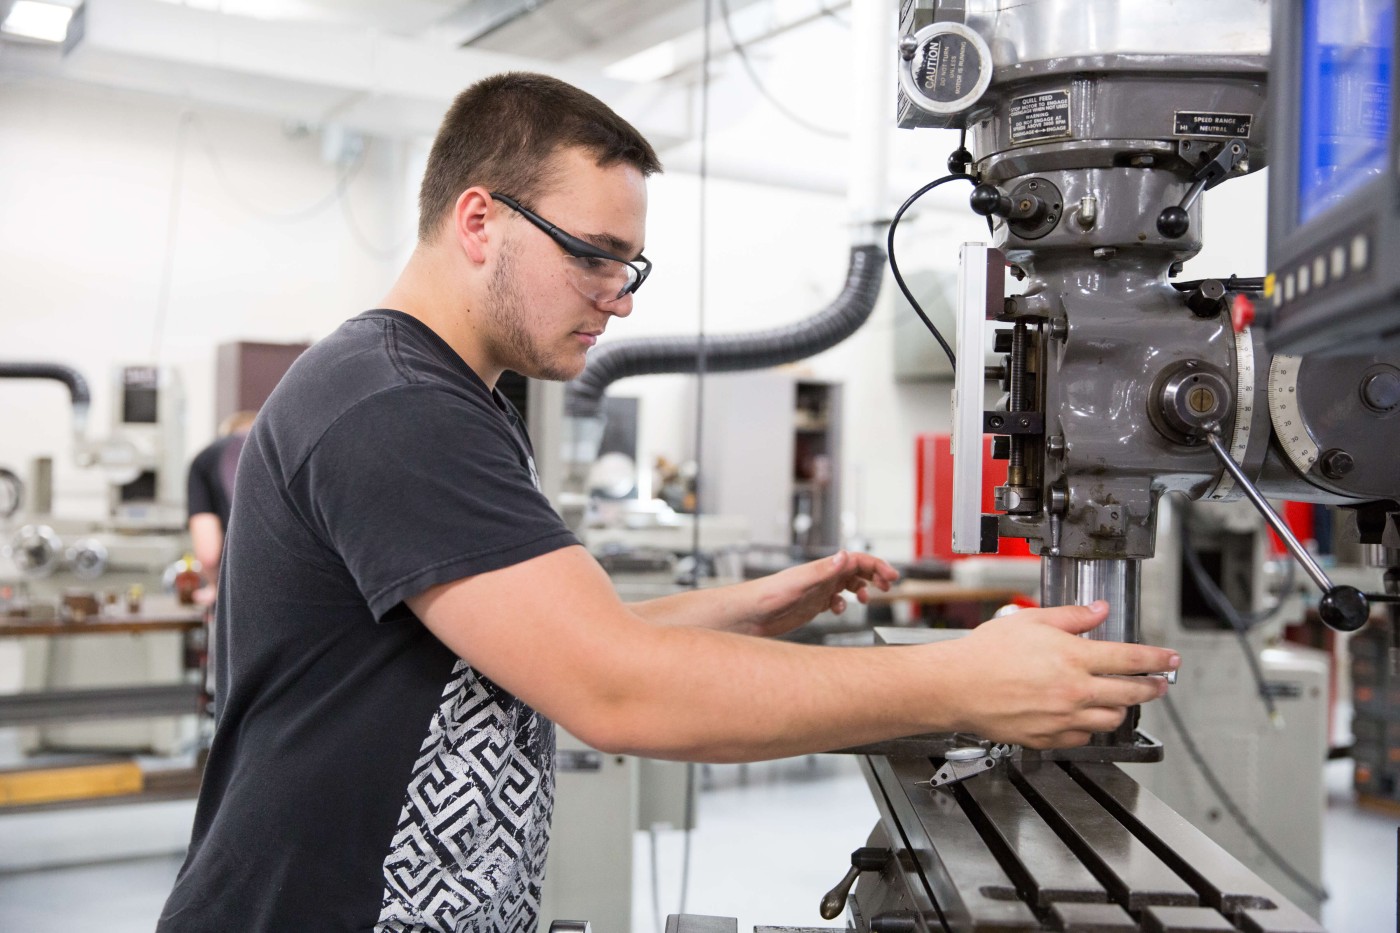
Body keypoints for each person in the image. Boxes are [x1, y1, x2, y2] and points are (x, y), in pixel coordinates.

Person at [158, 73, 1178, 933]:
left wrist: (754, 605)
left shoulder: (442, 394)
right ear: (479, 221)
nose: (620, 294)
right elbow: (616, 691)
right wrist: (961, 681)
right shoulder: (395, 406)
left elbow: (531, 641)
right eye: (592, 253)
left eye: (627, 262)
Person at [185, 409, 256, 603]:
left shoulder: (207, 458)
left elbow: (208, 554)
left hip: (239, 593)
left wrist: (215, 588)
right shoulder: (286, 452)